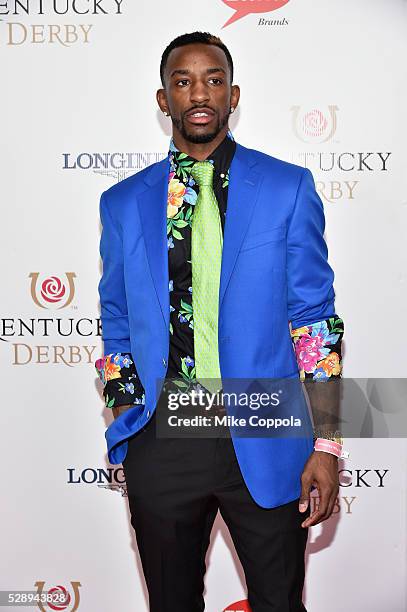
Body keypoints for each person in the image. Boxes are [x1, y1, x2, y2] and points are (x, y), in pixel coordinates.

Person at [95, 31, 345, 612]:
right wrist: (128, 415)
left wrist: (328, 442)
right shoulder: (123, 203)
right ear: (164, 100)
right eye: (183, 82)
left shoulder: (287, 188)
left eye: (212, 79)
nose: (198, 93)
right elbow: (115, 318)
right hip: (164, 438)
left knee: (280, 602)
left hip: (267, 431)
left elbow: (314, 322)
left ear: (234, 94)